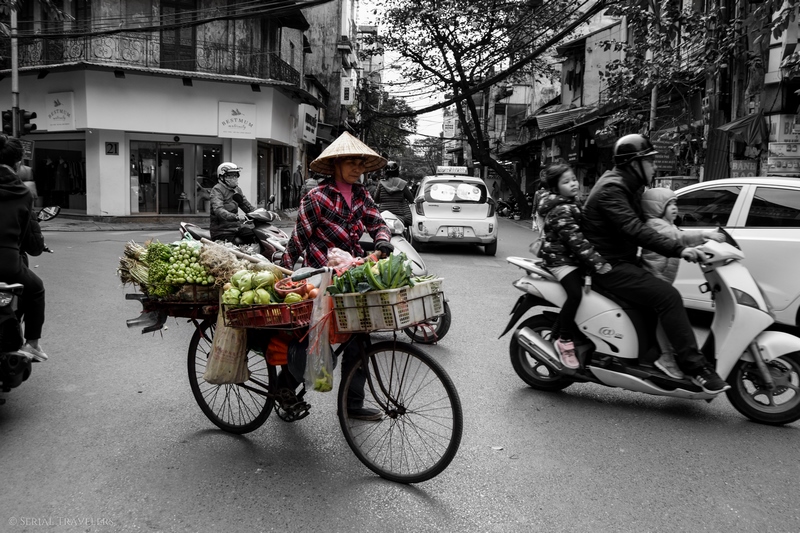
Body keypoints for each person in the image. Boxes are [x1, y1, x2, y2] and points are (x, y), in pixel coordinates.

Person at [581, 134, 730, 393]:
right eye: (649, 161)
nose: (654, 166)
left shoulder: (631, 186)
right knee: (668, 296)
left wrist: (696, 237)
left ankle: (658, 355)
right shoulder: (612, 190)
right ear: (633, 164)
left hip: (623, 260)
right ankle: (696, 367)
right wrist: (679, 250)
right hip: (606, 265)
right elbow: (635, 229)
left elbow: (654, 224)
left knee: (660, 295)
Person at [281, 131, 394, 421]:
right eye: (351, 163)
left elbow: (377, 223)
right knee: (314, 340)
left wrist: (382, 239)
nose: (357, 168)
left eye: (360, 163)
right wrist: (282, 272)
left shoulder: (362, 195)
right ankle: (284, 387)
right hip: (321, 278)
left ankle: (352, 404)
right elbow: (299, 240)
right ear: (335, 165)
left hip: (352, 273)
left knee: (359, 336)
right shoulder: (316, 197)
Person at [640, 187, 725, 379]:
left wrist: (705, 246)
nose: (674, 208)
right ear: (655, 207)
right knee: (665, 317)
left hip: (662, 278)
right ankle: (666, 357)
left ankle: (674, 353)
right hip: (654, 276)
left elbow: (681, 238)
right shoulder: (655, 224)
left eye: (675, 203)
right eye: (668, 204)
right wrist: (706, 235)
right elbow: (679, 238)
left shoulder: (667, 225)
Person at [537, 162, 611, 369]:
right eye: (566, 181)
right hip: (560, 260)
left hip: (571, 258)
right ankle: (565, 340)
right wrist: (598, 263)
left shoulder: (571, 202)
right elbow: (576, 241)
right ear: (555, 187)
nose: (573, 184)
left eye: (573, 179)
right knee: (575, 294)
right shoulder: (561, 209)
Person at [0, 135, 48, 362]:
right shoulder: (22, 193)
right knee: (36, 288)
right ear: (18, 164)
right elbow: (32, 241)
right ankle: (32, 344)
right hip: (8, 264)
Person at [209, 162, 257, 244]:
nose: (234, 178)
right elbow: (218, 210)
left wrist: (261, 213)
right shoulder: (217, 190)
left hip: (236, 228)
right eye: (230, 175)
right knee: (235, 249)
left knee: (255, 237)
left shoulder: (237, 190)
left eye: (235, 175)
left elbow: (246, 205)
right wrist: (236, 217)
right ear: (222, 177)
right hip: (222, 231)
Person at [373, 160, 414, 227]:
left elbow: (376, 199)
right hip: (402, 216)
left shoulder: (381, 183)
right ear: (397, 171)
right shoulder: (402, 183)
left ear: (385, 172)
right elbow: (411, 199)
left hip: (384, 214)